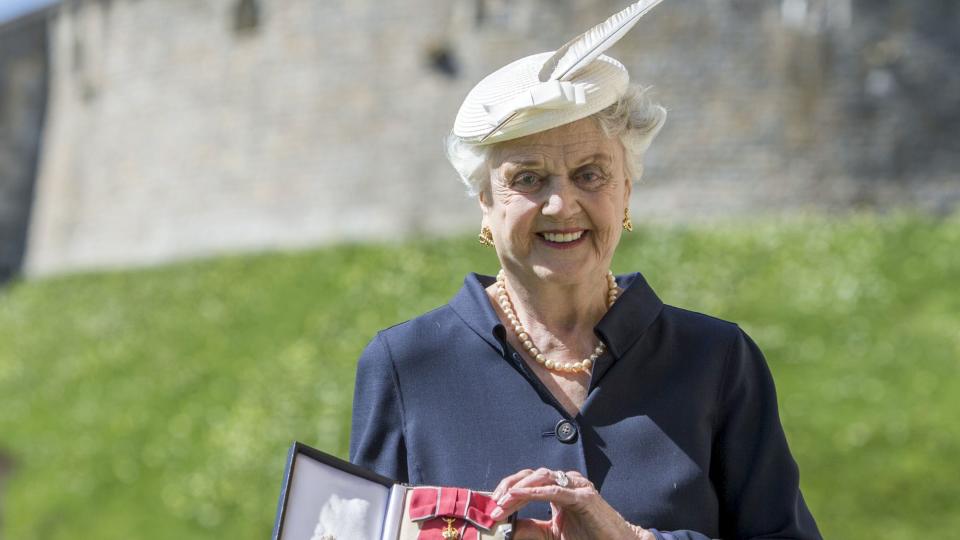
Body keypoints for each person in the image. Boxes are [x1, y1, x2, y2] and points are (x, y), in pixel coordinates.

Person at [350, 1, 822, 538]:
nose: (561, 205)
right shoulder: (407, 364)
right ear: (485, 199)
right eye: (528, 178)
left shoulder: (715, 359)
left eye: (590, 174)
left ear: (627, 187)